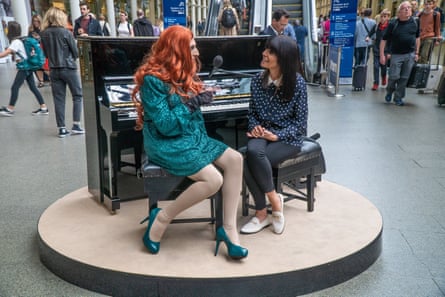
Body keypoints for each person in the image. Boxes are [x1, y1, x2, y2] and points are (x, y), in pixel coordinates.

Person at [132, 25, 247, 259]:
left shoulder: (184, 70)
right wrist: (194, 102)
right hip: (165, 143)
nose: (196, 52)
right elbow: (165, 125)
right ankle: (162, 217)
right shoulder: (152, 80)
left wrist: (201, 95)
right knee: (214, 179)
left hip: (191, 137)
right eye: (192, 47)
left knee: (236, 159)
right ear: (178, 49)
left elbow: (188, 110)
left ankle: (229, 229)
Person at [240, 35, 308, 235]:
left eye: (270, 51)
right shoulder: (256, 81)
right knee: (249, 154)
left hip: (287, 138)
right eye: (265, 50)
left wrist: (276, 136)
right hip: (262, 134)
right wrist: (256, 128)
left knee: (249, 159)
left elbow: (300, 124)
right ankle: (274, 202)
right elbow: (252, 113)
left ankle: (262, 213)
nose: (264, 54)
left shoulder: (298, 84)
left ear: (283, 58)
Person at [41, 7, 85, 138]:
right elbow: (76, 53)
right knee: (77, 95)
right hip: (69, 68)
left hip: (54, 69)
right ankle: (76, 125)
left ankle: (61, 128)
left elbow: (45, 54)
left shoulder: (44, 33)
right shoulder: (65, 32)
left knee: (58, 99)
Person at [0, 21, 48, 117]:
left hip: (24, 67)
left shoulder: (16, 42)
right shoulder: (22, 40)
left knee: (15, 87)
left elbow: (7, 52)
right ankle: (44, 108)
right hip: (29, 66)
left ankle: (10, 108)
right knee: (33, 87)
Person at [380, 1, 420, 106]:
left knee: (404, 78)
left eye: (409, 8)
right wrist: (382, 55)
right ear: (399, 12)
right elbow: (384, 40)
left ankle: (398, 98)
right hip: (396, 54)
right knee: (394, 76)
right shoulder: (393, 23)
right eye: (404, 8)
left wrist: (417, 52)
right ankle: (389, 91)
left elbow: (417, 38)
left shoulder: (415, 22)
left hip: (410, 54)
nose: (407, 9)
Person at [368, 9, 390, 90]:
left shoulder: (389, 27)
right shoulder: (377, 26)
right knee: (376, 66)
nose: (382, 18)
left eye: (385, 16)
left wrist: (389, 52)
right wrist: (368, 37)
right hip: (377, 49)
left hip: (385, 50)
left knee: (383, 67)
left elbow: (391, 40)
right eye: (381, 16)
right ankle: (376, 83)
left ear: (388, 18)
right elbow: (370, 32)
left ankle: (384, 76)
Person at [28, 14, 50, 88]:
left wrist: (38, 38)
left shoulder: (43, 29)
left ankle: (52, 79)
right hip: (34, 50)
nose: (36, 22)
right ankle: (41, 81)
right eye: (34, 21)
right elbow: (29, 40)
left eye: (37, 21)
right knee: (37, 66)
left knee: (46, 66)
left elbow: (46, 39)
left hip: (43, 49)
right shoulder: (31, 30)